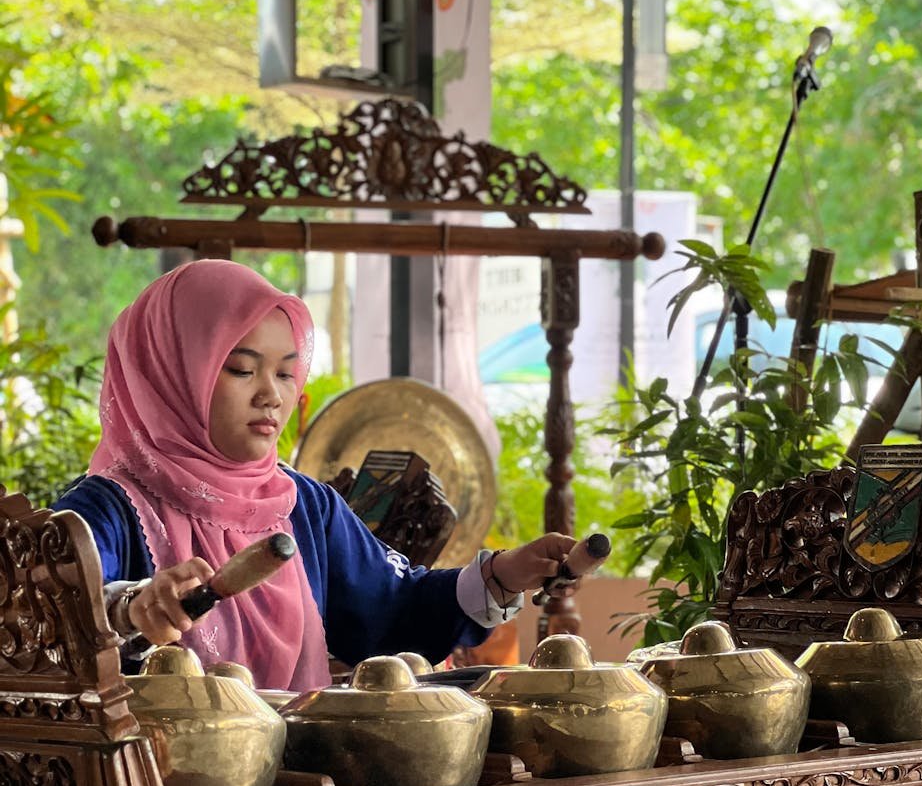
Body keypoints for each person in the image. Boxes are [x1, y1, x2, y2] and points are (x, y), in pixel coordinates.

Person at [54, 259, 579, 691]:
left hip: (298, 772)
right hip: (156, 777)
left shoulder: (304, 505)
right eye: (242, 369)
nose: (271, 394)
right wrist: (130, 606)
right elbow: (45, 622)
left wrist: (504, 574)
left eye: (286, 373)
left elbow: (393, 610)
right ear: (169, 372)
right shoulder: (106, 509)